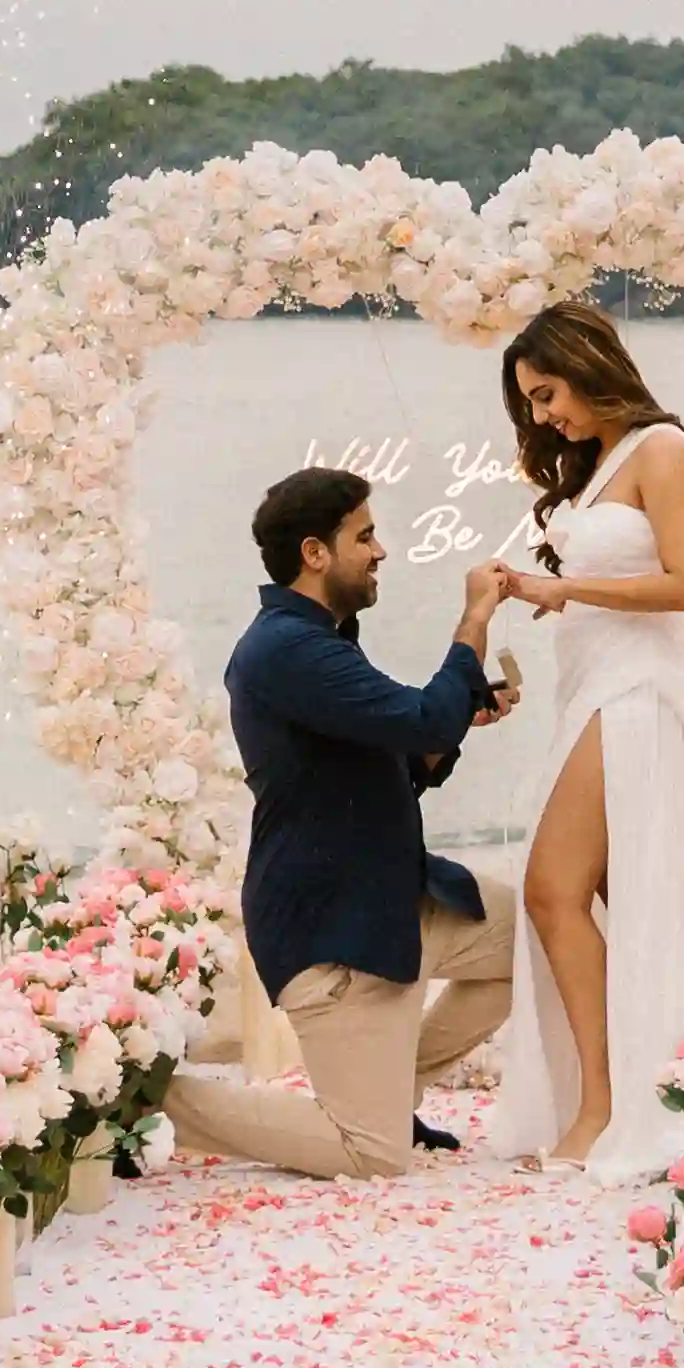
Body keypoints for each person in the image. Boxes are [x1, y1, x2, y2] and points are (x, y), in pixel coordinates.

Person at [166, 465, 521, 1181]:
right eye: (365, 536)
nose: (380, 550)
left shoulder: (319, 638)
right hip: (336, 932)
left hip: (394, 899)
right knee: (372, 1153)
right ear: (315, 553)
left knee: (542, 940)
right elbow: (421, 717)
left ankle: (387, 1088)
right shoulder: (286, 649)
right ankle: (155, 1100)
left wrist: (459, 717)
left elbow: (398, 757)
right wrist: (475, 619)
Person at [486, 303, 684, 1178]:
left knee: (552, 889)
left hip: (636, 691)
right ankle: (654, 1085)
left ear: (587, 363)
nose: (543, 416)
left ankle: (604, 1106)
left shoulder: (663, 448)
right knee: (622, 901)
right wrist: (538, 590)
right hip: (588, 690)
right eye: (531, 403)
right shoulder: (596, 466)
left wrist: (567, 589)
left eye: (547, 393)